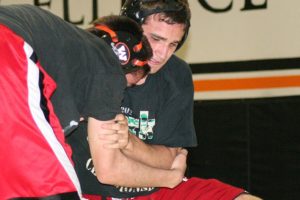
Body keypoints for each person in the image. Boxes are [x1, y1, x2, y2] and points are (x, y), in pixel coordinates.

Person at [68, 0, 262, 200]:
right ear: (130, 30)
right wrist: (168, 176)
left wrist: (130, 143)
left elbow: (169, 158)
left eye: (173, 44)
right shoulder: (100, 63)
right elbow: (109, 172)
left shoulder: (177, 75)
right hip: (90, 189)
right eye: (155, 38)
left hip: (153, 188)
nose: (162, 54)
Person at [0, 4, 153, 200]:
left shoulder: (62, 60)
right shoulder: (108, 65)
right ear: (122, 60)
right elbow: (108, 169)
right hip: (9, 48)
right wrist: (170, 176)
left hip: (11, 50)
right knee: (58, 187)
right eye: (126, 87)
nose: (118, 96)